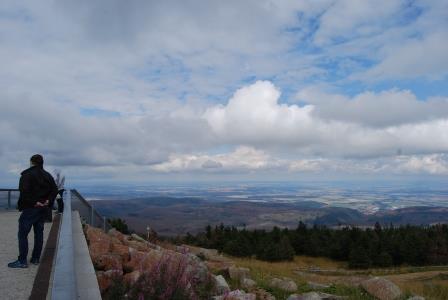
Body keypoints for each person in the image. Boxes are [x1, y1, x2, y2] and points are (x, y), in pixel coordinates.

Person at [8, 154, 58, 268]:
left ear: (31, 162)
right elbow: (54, 190)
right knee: (39, 233)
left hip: (31, 208)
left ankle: (22, 261)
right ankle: (35, 258)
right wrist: (48, 201)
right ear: (42, 163)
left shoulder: (27, 175)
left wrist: (35, 202)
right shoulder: (48, 176)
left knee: (22, 234)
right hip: (43, 209)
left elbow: (24, 191)